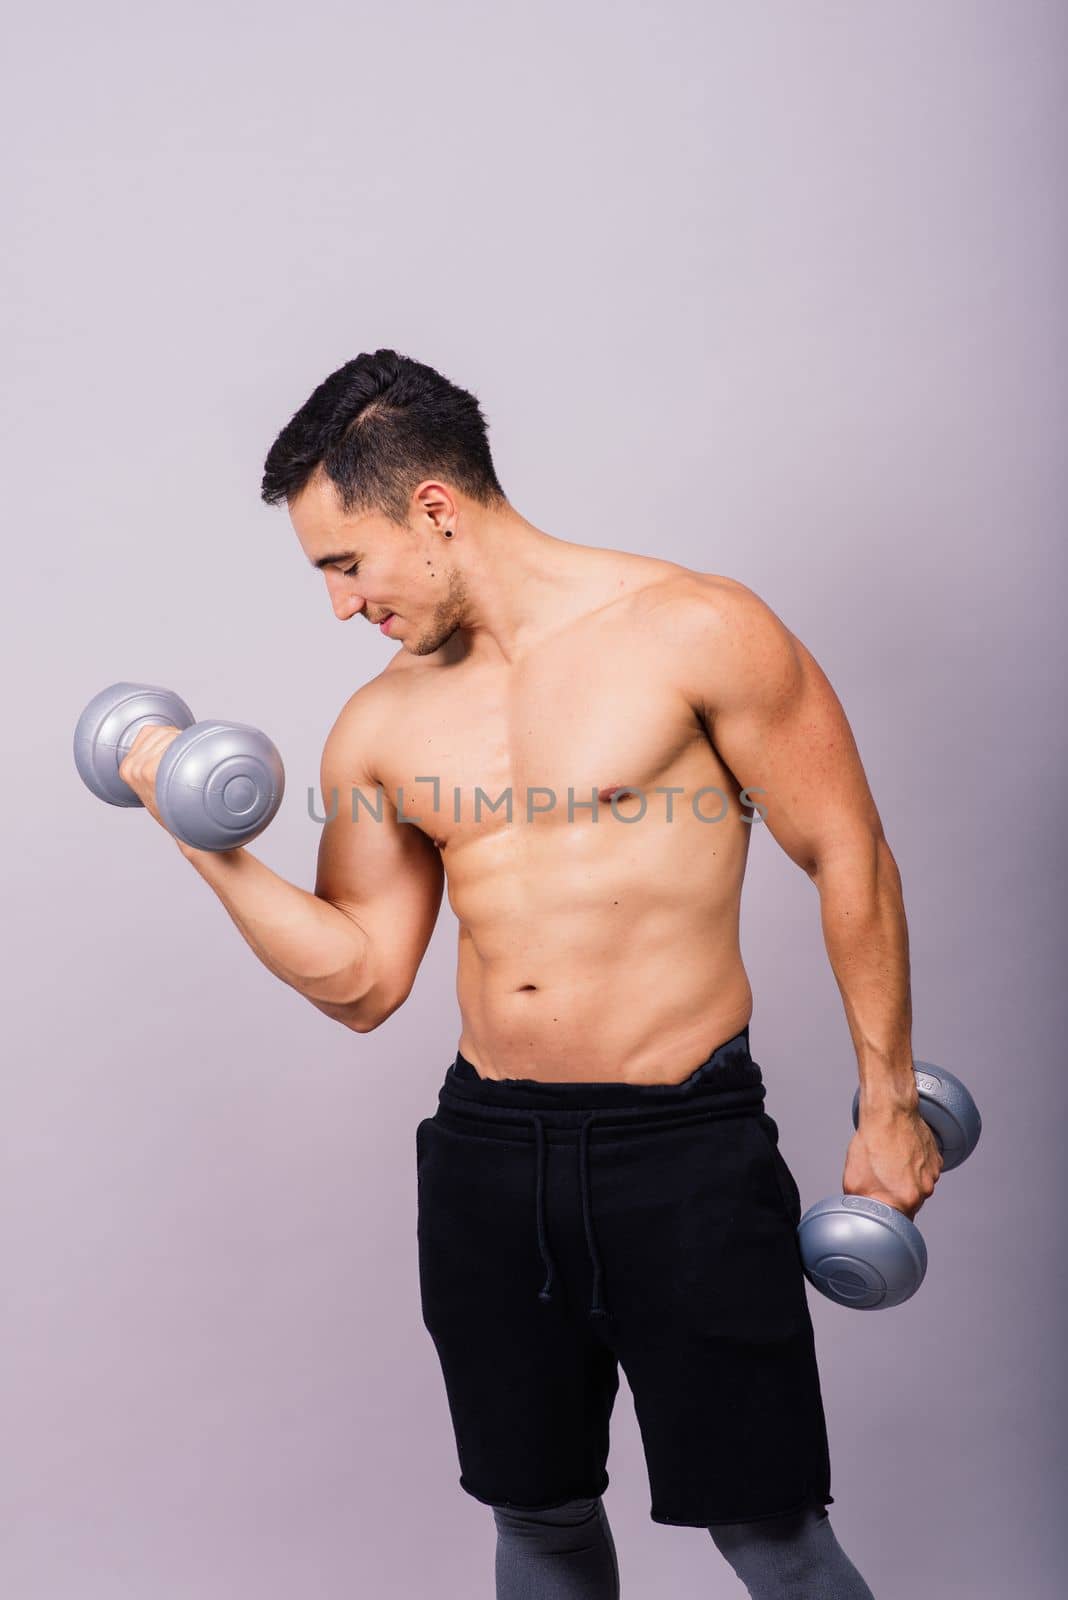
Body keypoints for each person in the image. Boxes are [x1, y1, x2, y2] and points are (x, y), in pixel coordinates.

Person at [119, 349, 943, 1598]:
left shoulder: (696, 629)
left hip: (685, 1148)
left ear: (434, 508)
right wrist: (202, 839)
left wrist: (887, 1101)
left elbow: (847, 854)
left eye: (346, 563)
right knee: (539, 1522)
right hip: (489, 1156)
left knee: (773, 1535)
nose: (341, 606)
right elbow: (361, 981)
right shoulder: (381, 725)